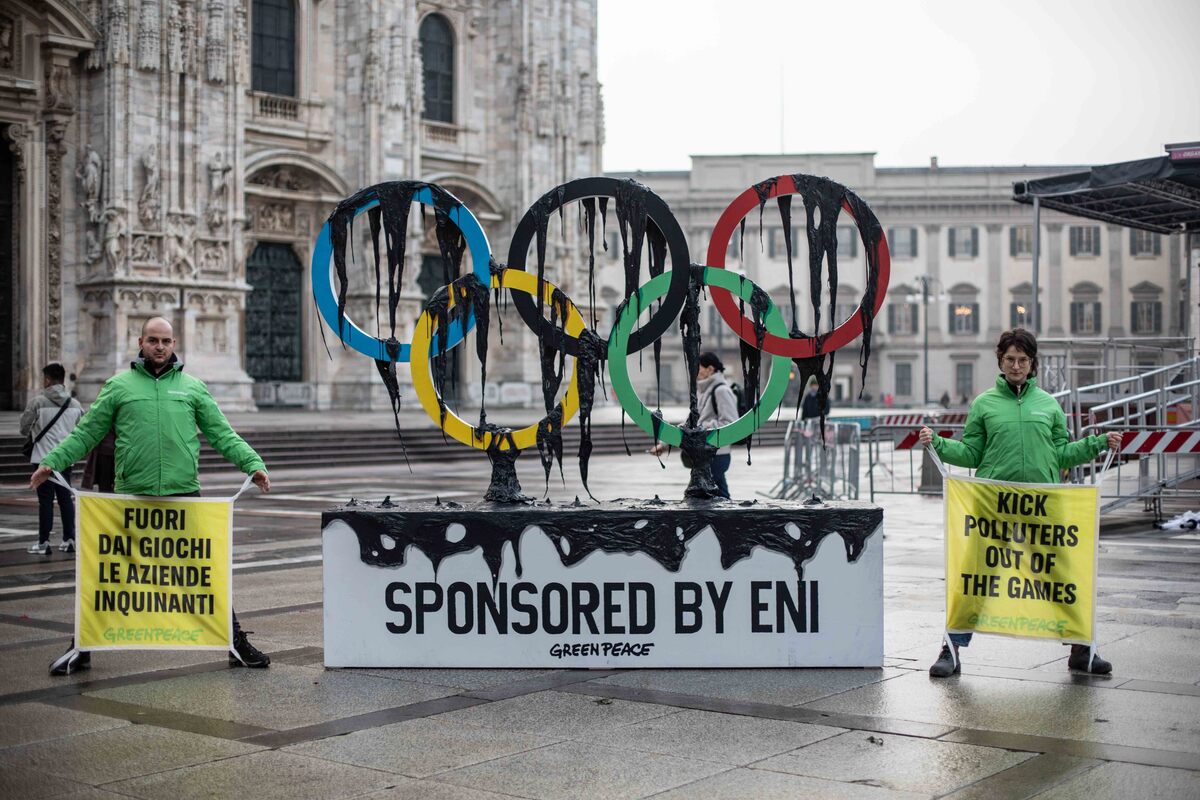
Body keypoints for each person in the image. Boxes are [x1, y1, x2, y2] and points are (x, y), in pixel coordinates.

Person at [31, 317, 273, 675]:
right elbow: (86, 433)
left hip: (182, 493)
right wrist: (52, 462)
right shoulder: (119, 386)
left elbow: (222, 433)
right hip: (132, 496)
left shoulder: (192, 388)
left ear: (174, 344)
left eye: (166, 341)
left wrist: (252, 463)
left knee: (205, 573)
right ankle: (81, 647)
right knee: (109, 575)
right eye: (153, 340)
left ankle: (234, 642)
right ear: (140, 342)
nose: (160, 347)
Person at [918, 328, 1123, 678]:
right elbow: (971, 453)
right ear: (1000, 361)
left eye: (1023, 360)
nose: (1016, 365)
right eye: (1010, 359)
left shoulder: (1048, 404)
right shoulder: (984, 404)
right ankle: (951, 649)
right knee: (975, 578)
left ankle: (1082, 649)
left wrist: (1098, 443)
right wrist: (937, 442)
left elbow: (1062, 453)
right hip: (993, 504)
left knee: (1060, 578)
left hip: (1042, 504)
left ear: (1032, 365)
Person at [650, 352, 739, 498]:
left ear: (710, 369)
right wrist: (664, 444)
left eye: (698, 367)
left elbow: (730, 423)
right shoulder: (702, 392)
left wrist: (701, 428)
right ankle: (729, 520)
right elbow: (689, 424)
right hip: (704, 453)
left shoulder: (721, 390)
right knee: (715, 496)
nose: (695, 371)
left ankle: (730, 520)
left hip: (716, 454)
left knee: (705, 496)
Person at [20, 363, 84, 554]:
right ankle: (70, 539)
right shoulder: (75, 405)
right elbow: (81, 432)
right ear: (63, 379)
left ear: (47, 379)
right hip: (65, 459)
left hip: (42, 459)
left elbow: (24, 428)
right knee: (65, 500)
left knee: (45, 501)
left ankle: (44, 542)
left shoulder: (37, 402)